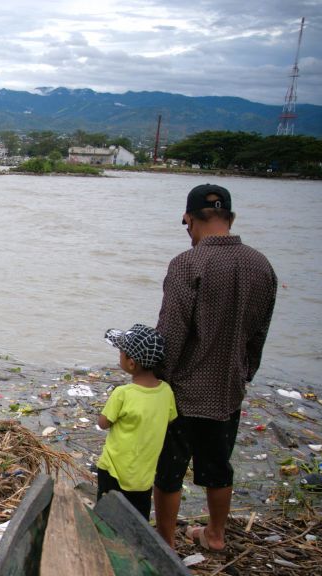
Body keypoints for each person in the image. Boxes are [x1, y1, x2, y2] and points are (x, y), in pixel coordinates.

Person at [153, 184, 277, 550]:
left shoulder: (188, 264)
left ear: (189, 220)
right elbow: (259, 334)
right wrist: (244, 373)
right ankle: (216, 535)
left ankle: (165, 543)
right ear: (231, 219)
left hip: (185, 391)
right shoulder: (262, 265)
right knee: (218, 466)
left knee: (170, 471)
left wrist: (156, 381)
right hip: (229, 390)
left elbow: (170, 333)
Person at [97, 324, 177, 521]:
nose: (119, 356)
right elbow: (170, 417)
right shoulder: (166, 391)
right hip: (143, 477)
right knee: (137, 521)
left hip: (113, 470)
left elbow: (103, 423)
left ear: (131, 363)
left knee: (106, 518)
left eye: (121, 352)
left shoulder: (123, 394)